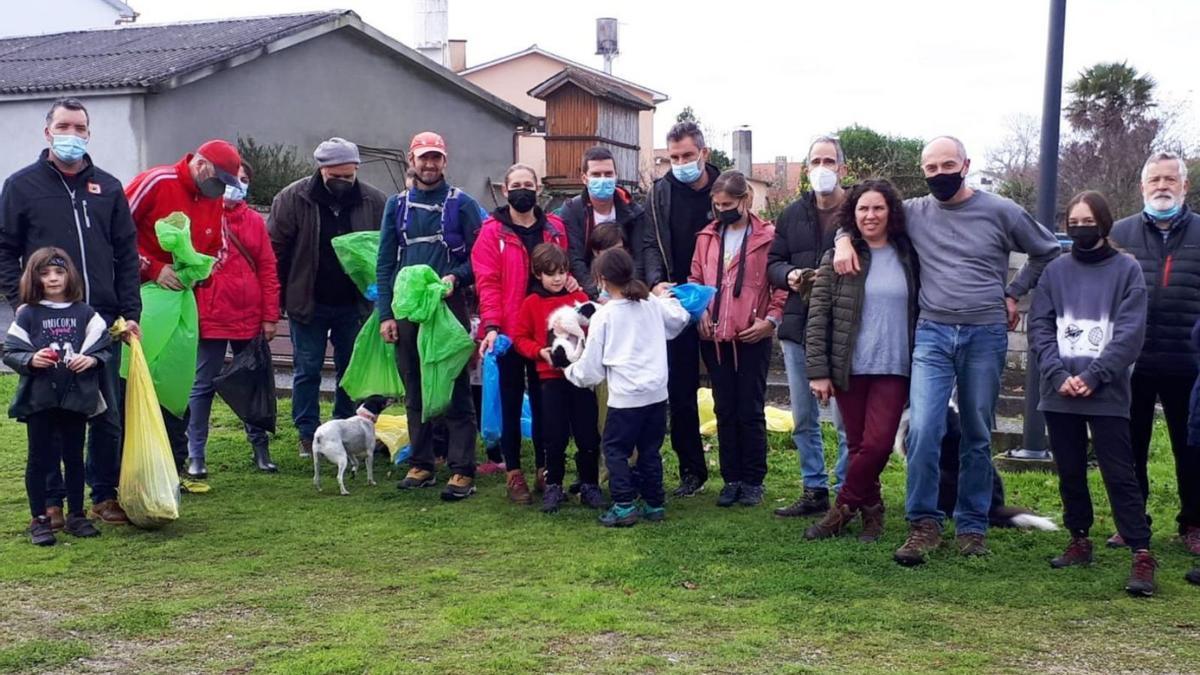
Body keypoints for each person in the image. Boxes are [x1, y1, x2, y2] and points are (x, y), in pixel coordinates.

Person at [833, 136, 1060, 565]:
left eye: (947, 165)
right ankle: (924, 523)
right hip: (933, 333)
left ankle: (972, 524)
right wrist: (844, 238)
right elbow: (866, 210)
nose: (940, 174)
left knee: (976, 434)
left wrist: (1013, 292)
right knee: (922, 429)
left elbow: (1046, 251)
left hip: (984, 333)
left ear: (966, 164)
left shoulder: (1002, 210)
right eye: (931, 168)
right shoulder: (916, 212)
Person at [0, 97, 140, 526]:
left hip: (101, 320)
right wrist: (22, 302)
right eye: (64, 126)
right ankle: (52, 502)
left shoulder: (109, 187)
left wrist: (130, 310)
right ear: (48, 132)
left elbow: (126, 253)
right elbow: (5, 250)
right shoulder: (22, 186)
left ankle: (103, 495)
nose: (72, 135)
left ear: (89, 133)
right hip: (46, 320)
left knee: (104, 412)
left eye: (80, 128)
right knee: (50, 416)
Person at [1028, 190, 1156, 596]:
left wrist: (1097, 375)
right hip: (1059, 390)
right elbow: (1040, 327)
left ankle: (1141, 550)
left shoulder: (1127, 271)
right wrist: (1056, 372)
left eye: (1088, 222)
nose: (1080, 228)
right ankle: (1079, 538)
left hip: (1107, 392)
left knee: (1120, 474)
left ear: (1104, 224)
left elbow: (1131, 332)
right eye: (1073, 222)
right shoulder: (1055, 272)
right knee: (1069, 471)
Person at [804, 180, 919, 541]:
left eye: (878, 208)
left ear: (891, 213)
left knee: (879, 444)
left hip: (894, 365)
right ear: (852, 214)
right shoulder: (839, 256)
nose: (870, 215)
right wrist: (819, 371)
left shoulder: (909, 254)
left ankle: (841, 510)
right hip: (849, 366)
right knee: (856, 445)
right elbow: (818, 315)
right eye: (863, 209)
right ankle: (873, 512)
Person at [126, 137, 244, 479]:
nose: (221, 189)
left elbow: (217, 248)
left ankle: (171, 464)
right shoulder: (157, 181)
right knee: (138, 378)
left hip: (179, 301)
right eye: (219, 180)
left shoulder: (215, 198)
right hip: (139, 297)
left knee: (176, 379)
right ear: (202, 165)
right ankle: (128, 465)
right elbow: (114, 229)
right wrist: (151, 267)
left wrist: (199, 272)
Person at [377, 131, 483, 501]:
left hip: (448, 308)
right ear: (412, 160)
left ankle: (462, 469)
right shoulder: (397, 205)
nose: (429, 164)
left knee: (453, 386)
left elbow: (482, 255)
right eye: (423, 157)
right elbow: (385, 261)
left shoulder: (463, 204)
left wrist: (459, 276)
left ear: (445, 161)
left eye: (436, 157)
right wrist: (385, 314)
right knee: (414, 386)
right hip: (407, 310)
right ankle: (422, 463)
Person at [270, 138, 387, 459]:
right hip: (308, 301)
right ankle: (308, 434)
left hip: (355, 303)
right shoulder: (293, 199)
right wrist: (277, 299)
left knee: (351, 369)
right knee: (307, 368)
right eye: (335, 176)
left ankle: (345, 427)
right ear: (321, 170)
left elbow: (387, 249)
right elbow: (275, 252)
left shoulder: (374, 201)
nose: (342, 183)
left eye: (348, 177)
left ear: (357, 170)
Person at [1109, 151, 1200, 555]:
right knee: (1129, 446)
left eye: (1170, 179)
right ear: (1142, 186)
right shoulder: (1119, 233)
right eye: (1154, 180)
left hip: (1189, 361)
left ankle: (1193, 522)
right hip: (1133, 361)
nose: (1162, 186)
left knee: (1192, 447)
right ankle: (1131, 522)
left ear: (1185, 185)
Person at [565, 248, 690, 526]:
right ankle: (654, 503)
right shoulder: (651, 305)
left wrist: (569, 370)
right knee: (650, 450)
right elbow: (679, 319)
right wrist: (664, 298)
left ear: (601, 280)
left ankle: (623, 504)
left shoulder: (605, 316)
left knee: (615, 450)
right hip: (657, 394)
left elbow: (592, 369)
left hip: (625, 399)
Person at [473, 164, 575, 504]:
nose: (522, 190)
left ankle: (546, 469)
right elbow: (487, 282)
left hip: (549, 330)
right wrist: (491, 326)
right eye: (516, 185)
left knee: (549, 403)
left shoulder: (556, 228)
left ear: (538, 189)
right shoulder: (491, 232)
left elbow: (566, 269)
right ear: (506, 190)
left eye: (528, 184)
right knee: (511, 400)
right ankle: (513, 472)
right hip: (510, 330)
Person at [689, 170, 786, 508]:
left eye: (728, 204)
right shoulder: (706, 237)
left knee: (750, 409)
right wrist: (698, 311)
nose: (721, 211)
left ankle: (754, 479)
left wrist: (770, 321)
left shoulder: (769, 236)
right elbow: (696, 278)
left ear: (746, 200)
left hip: (751, 337)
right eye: (717, 205)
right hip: (714, 337)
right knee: (724, 409)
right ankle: (731, 479)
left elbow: (781, 286)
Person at [767, 136, 851, 518]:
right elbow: (773, 263)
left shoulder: (858, 212)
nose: (823, 168)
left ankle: (848, 492)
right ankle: (814, 488)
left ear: (843, 169)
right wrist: (791, 275)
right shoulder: (790, 215)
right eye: (816, 160)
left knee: (847, 419)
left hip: (846, 328)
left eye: (829, 160)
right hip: (799, 326)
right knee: (804, 415)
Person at [4, 248, 110, 545]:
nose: (52, 278)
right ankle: (40, 519)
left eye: (59, 272)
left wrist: (91, 360)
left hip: (75, 399)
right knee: (39, 458)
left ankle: (76, 514)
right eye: (45, 273)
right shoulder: (28, 314)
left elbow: (102, 347)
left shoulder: (85, 313)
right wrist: (31, 359)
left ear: (69, 275)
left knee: (74, 456)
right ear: (35, 277)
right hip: (40, 399)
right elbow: (12, 351)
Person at [186, 161, 280, 480]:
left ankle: (260, 448)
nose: (234, 185)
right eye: (229, 178)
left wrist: (270, 316)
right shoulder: (201, 215)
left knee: (251, 382)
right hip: (210, 314)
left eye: (241, 179)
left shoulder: (254, 221)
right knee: (202, 386)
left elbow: (267, 268)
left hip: (249, 315)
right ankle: (195, 453)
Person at [643, 122, 723, 497]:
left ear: (703, 154)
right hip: (675, 304)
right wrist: (657, 282)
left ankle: (741, 475)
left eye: (687, 156)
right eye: (673, 158)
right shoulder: (660, 193)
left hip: (720, 299)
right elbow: (648, 242)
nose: (680, 163)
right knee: (681, 391)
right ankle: (692, 470)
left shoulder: (725, 188)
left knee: (728, 391)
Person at [513, 243, 603, 512]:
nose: (557, 278)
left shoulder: (579, 297)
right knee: (554, 434)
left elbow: (595, 326)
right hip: (550, 378)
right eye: (551, 273)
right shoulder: (531, 303)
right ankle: (554, 485)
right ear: (538, 274)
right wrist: (539, 352)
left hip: (581, 378)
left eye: (562, 272)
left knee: (587, 433)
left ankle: (589, 484)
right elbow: (519, 338)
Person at [563, 146, 649, 299]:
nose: (603, 179)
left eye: (608, 174)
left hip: (627, 292)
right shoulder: (572, 211)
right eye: (596, 174)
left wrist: (626, 293)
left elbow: (639, 258)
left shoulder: (634, 212)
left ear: (616, 176)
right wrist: (595, 295)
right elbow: (575, 260)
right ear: (584, 178)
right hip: (589, 292)